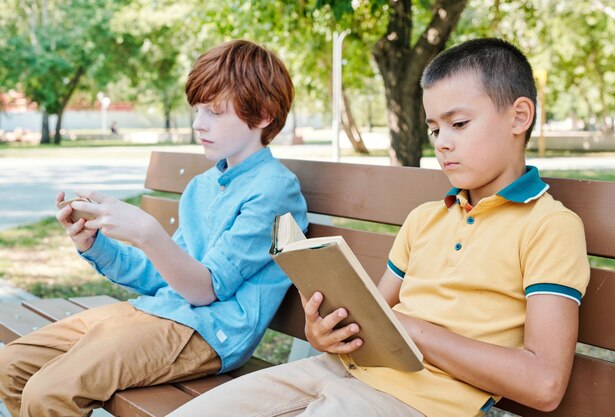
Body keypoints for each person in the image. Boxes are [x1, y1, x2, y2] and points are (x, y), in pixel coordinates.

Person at [166, 38, 590, 417]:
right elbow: (375, 314)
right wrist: (326, 331)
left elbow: (544, 385)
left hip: (418, 401)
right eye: (434, 128)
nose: (441, 142)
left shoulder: (549, 226)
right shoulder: (426, 218)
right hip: (333, 371)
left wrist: (419, 332)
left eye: (458, 124)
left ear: (519, 117)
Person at [0, 39, 308, 417]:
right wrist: (94, 245)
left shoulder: (275, 189)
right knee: (11, 365)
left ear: (263, 114)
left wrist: (147, 232)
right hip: (155, 312)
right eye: (197, 110)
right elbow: (162, 276)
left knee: (49, 393)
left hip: (206, 333)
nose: (198, 124)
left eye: (214, 111)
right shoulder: (203, 186)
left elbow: (205, 290)